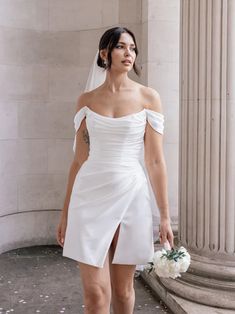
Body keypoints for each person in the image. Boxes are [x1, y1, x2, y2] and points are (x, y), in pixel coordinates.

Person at [56, 26, 174, 314]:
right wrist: (65, 212)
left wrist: (165, 217)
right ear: (104, 53)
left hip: (130, 194)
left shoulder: (149, 98)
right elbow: (79, 160)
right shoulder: (86, 101)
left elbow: (156, 162)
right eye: (122, 47)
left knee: (122, 292)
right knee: (95, 294)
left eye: (132, 48)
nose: (129, 53)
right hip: (89, 195)